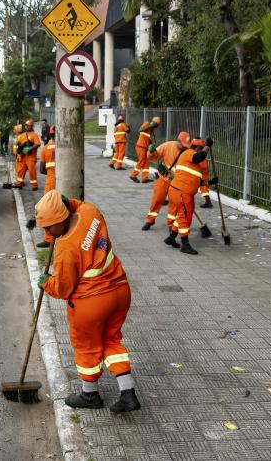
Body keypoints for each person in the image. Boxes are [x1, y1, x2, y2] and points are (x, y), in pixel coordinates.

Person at [36, 190, 141, 413]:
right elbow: (76, 204)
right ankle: (128, 393)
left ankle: (90, 394)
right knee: (112, 340)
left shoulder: (66, 249)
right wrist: (64, 202)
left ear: (62, 218)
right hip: (120, 291)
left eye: (49, 227)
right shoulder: (89, 212)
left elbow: (64, 289)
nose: (47, 232)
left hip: (90, 304)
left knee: (87, 347)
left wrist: (46, 282)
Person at [164, 137, 217, 255]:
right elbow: (199, 157)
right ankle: (185, 244)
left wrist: (212, 182)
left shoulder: (193, 163)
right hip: (182, 192)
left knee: (182, 216)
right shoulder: (189, 153)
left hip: (179, 192)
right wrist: (207, 147)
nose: (201, 152)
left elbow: (198, 181)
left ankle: (171, 237)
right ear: (197, 148)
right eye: (201, 149)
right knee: (185, 218)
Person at [141, 132, 191, 231]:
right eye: (183, 145)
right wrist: (151, 151)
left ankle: (171, 224)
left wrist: (178, 177)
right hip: (163, 178)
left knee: (174, 203)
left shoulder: (187, 152)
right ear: (178, 141)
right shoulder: (168, 145)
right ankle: (150, 220)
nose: (185, 147)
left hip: (177, 182)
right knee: (157, 199)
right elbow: (154, 157)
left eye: (187, 146)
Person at [36, 125, 56, 249]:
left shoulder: (45, 149)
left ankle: (49, 239)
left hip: (51, 182)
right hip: (64, 181)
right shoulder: (65, 147)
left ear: (50, 135)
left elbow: (42, 170)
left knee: (48, 210)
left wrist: (50, 172)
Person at [130, 116, 161, 183]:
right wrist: (149, 126)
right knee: (141, 161)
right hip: (140, 147)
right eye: (156, 125)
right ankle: (133, 175)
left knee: (146, 162)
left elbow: (147, 138)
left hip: (145, 148)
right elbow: (140, 130)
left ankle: (145, 178)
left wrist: (152, 144)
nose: (156, 127)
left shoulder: (151, 130)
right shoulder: (147, 123)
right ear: (154, 123)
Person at [15, 119, 41, 190]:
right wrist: (17, 148)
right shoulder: (22, 135)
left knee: (32, 171)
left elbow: (38, 144)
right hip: (23, 157)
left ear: (32, 126)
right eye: (26, 126)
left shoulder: (34, 135)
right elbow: (18, 144)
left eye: (29, 126)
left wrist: (30, 149)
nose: (27, 127)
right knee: (21, 171)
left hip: (31, 157)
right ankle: (19, 184)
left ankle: (34, 186)